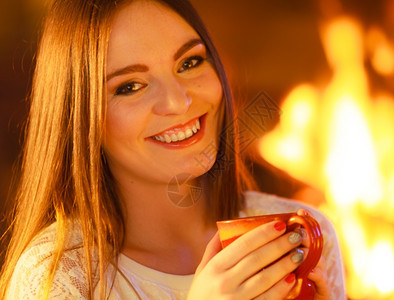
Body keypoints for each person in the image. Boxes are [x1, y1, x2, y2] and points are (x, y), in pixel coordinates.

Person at [0, 0, 346, 299]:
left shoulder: (304, 235)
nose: (180, 101)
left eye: (189, 63)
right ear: (80, 118)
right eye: (130, 86)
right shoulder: (56, 278)